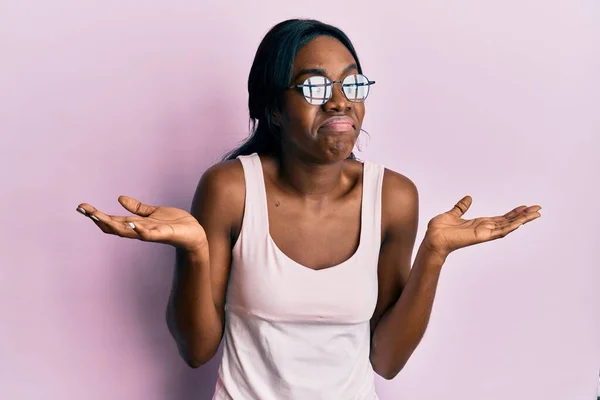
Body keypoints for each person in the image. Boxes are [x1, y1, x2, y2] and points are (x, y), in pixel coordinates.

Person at [75, 19, 541, 400]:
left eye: (352, 83)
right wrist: (195, 249)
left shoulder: (394, 197)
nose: (341, 101)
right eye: (315, 87)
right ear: (275, 109)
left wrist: (434, 254)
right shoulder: (230, 188)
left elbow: (387, 361)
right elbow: (197, 351)